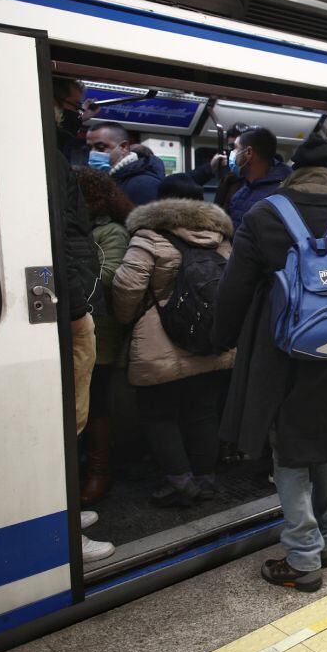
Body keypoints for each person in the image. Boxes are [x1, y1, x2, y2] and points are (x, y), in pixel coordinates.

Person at [213, 132, 327, 592]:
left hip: (277, 353)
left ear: (295, 174)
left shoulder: (264, 215)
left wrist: (221, 339)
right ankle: (324, 542)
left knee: (287, 448)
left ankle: (303, 557)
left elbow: (234, 290)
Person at [112, 185, 235, 507]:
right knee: (204, 412)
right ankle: (206, 477)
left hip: (158, 340)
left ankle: (180, 483)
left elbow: (128, 286)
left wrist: (130, 320)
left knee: (158, 414)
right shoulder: (220, 240)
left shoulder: (149, 237)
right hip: (211, 339)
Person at [51, 82, 113, 561]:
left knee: (74, 415)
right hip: (69, 307)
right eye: (76, 108)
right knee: (68, 416)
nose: (82, 116)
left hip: (67, 302)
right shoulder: (51, 162)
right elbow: (68, 240)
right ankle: (63, 528)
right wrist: (75, 305)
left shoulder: (52, 155)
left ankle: (65, 515)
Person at [75, 168, 133, 505]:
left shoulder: (110, 232)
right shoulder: (77, 230)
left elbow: (111, 275)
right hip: (81, 324)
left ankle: (100, 472)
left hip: (102, 327)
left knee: (97, 401)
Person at [226, 127, 291, 233]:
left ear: (249, 153)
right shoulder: (242, 190)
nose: (232, 153)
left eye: (236, 148)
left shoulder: (281, 195)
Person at [87, 122, 164, 206]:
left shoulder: (143, 184)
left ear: (123, 147)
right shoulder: (108, 180)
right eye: (89, 148)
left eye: (100, 147)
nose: (92, 153)